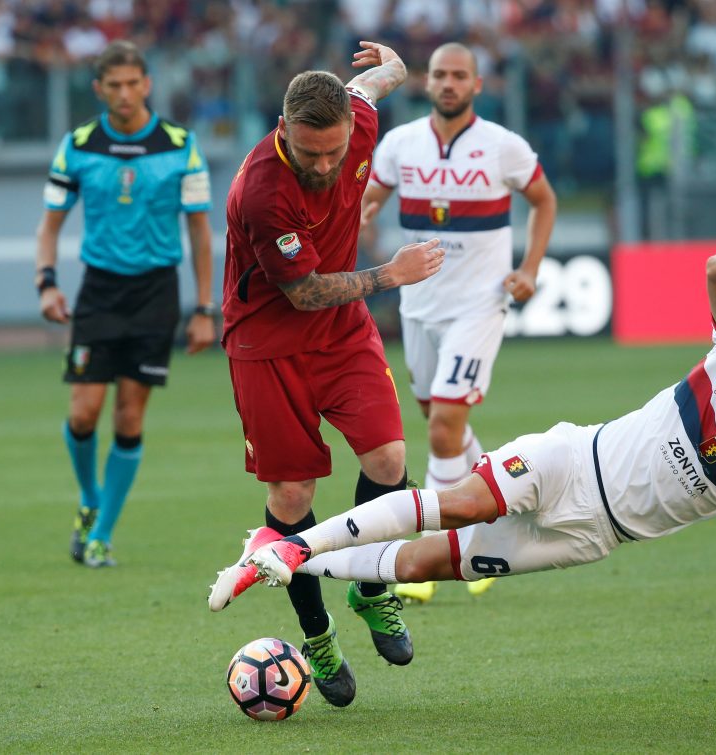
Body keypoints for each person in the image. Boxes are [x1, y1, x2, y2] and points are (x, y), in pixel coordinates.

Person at [218, 217, 716, 633]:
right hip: (574, 459)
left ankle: (273, 552)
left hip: (595, 533)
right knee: (459, 502)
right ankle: (291, 545)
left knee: (430, 562)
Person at [207, 41, 445, 709]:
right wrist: (388, 276)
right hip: (268, 343)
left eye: (334, 152)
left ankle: (370, 590)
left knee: (391, 457)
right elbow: (303, 292)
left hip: (342, 335)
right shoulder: (262, 190)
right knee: (292, 498)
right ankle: (317, 638)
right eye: (310, 152)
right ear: (283, 129)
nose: (324, 164)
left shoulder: (357, 120)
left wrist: (393, 61)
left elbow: (380, 80)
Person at [360, 42, 557, 603]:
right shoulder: (400, 145)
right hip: (419, 305)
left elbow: (544, 201)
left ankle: (442, 553)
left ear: (476, 85)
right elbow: (370, 198)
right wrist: (364, 215)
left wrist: (529, 267)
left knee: (442, 425)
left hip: (479, 304)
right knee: (439, 419)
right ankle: (501, 511)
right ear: (428, 83)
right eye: (440, 75)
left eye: (459, 76)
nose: (448, 83)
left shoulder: (503, 147)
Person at [35, 40, 215, 570]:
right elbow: (49, 227)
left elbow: (200, 233)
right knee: (83, 411)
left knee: (130, 416)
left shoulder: (182, 144)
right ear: (99, 89)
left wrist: (203, 308)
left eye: (132, 82)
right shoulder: (78, 145)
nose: (124, 93)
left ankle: (101, 535)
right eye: (113, 85)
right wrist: (46, 282)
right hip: (99, 291)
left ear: (147, 84)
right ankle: (90, 499)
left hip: (156, 292)